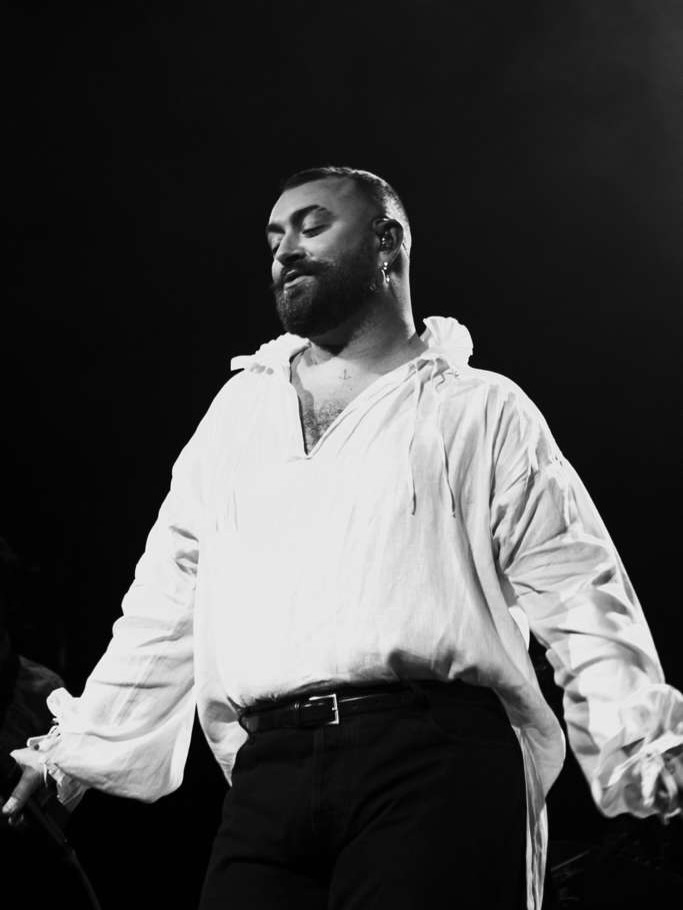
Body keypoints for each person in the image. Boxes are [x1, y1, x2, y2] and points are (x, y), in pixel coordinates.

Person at [3, 165, 682, 910]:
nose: (284, 250)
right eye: (273, 237)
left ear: (386, 242)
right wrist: (73, 757)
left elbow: (578, 585)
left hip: (436, 759)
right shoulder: (239, 412)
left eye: (312, 225)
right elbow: (167, 600)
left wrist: (644, 747)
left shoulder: (478, 408)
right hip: (269, 771)